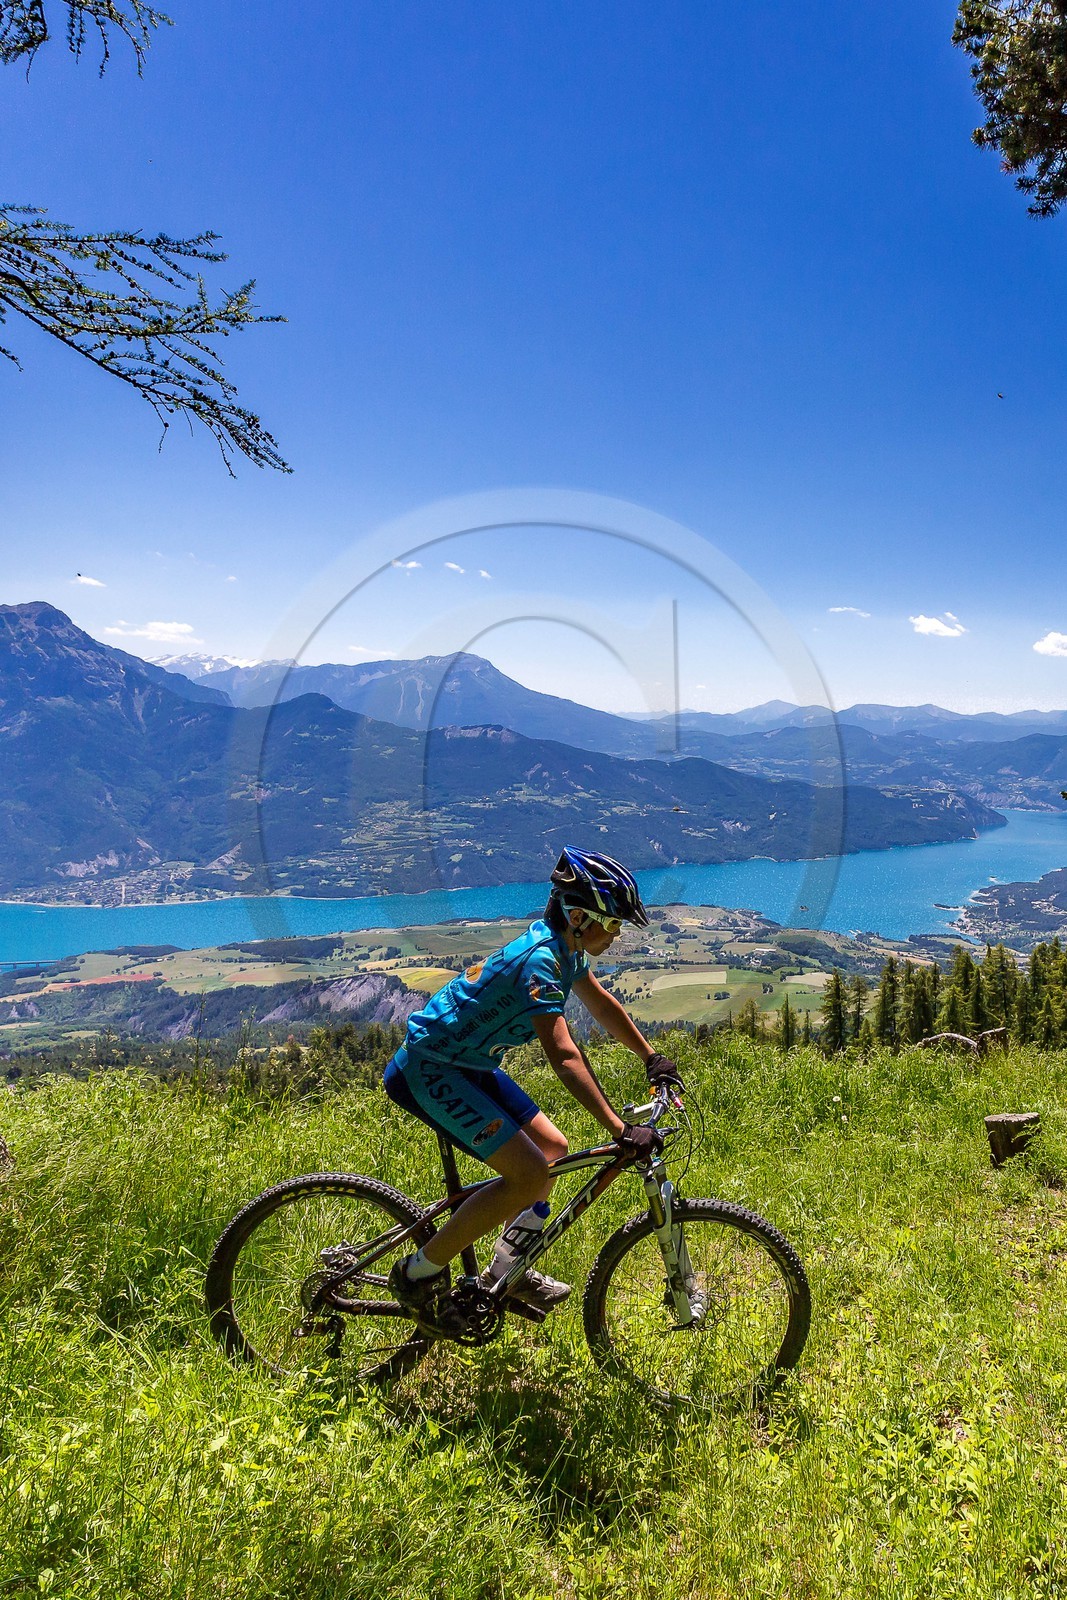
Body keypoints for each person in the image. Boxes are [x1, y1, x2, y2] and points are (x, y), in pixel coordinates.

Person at [382, 847, 684, 1334]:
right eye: (612, 924)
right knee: (528, 1175)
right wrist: (619, 1127)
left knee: (552, 1150)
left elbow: (603, 1006)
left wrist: (652, 1057)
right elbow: (564, 1056)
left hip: (468, 1063)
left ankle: (504, 1274)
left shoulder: (565, 950)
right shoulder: (541, 962)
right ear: (578, 915)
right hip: (430, 1067)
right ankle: (418, 1273)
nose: (616, 934)